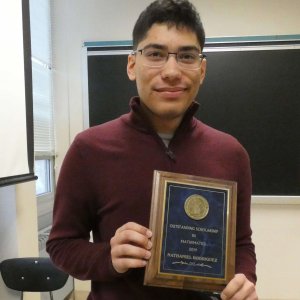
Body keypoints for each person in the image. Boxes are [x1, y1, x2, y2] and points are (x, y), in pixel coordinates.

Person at [47, 1, 258, 299]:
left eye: (186, 56)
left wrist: (244, 278)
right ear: (132, 65)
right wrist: (108, 257)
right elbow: (61, 245)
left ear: (202, 69)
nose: (171, 71)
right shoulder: (89, 149)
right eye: (156, 54)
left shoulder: (231, 153)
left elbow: (241, 244)